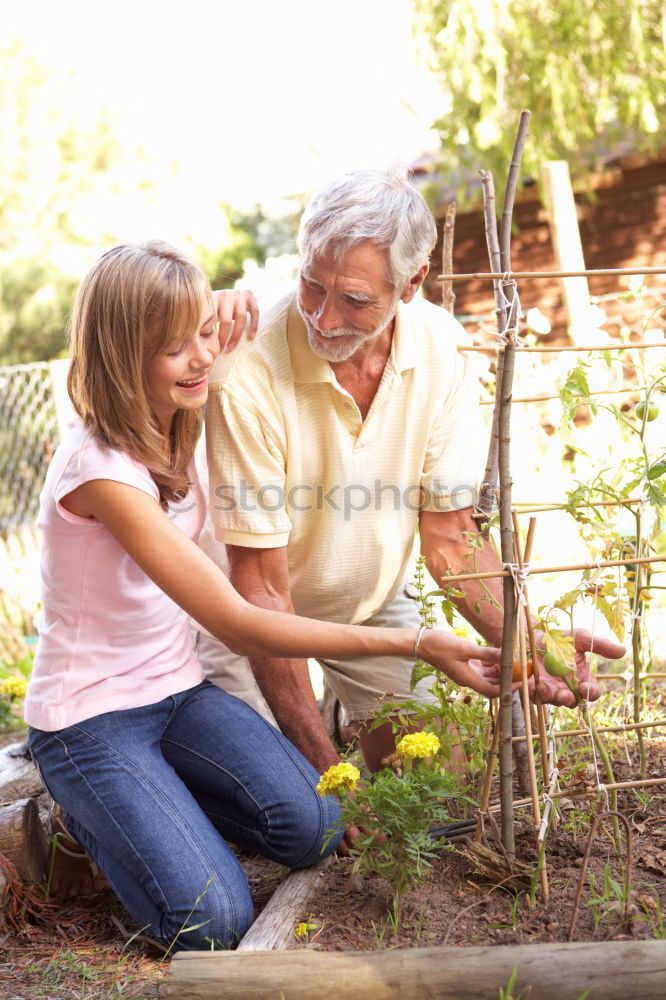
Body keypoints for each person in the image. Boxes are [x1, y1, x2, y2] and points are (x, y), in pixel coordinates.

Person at [25, 240, 508, 951]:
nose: (198, 358)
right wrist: (416, 643)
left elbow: (248, 333)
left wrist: (213, 312)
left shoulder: (180, 414)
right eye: (171, 348)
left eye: (202, 336)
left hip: (177, 694)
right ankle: (97, 824)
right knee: (211, 924)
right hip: (91, 720)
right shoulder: (99, 472)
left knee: (317, 827)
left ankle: (154, 808)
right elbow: (239, 622)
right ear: (121, 357)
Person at [197, 167, 626, 784]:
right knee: (279, 809)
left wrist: (533, 646)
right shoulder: (246, 371)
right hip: (238, 619)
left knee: (437, 783)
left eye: (353, 300)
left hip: (370, 606)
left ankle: (349, 715)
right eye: (310, 285)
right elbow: (261, 591)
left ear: (412, 282)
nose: (321, 316)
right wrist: (326, 776)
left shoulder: (438, 349)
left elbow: (451, 539)